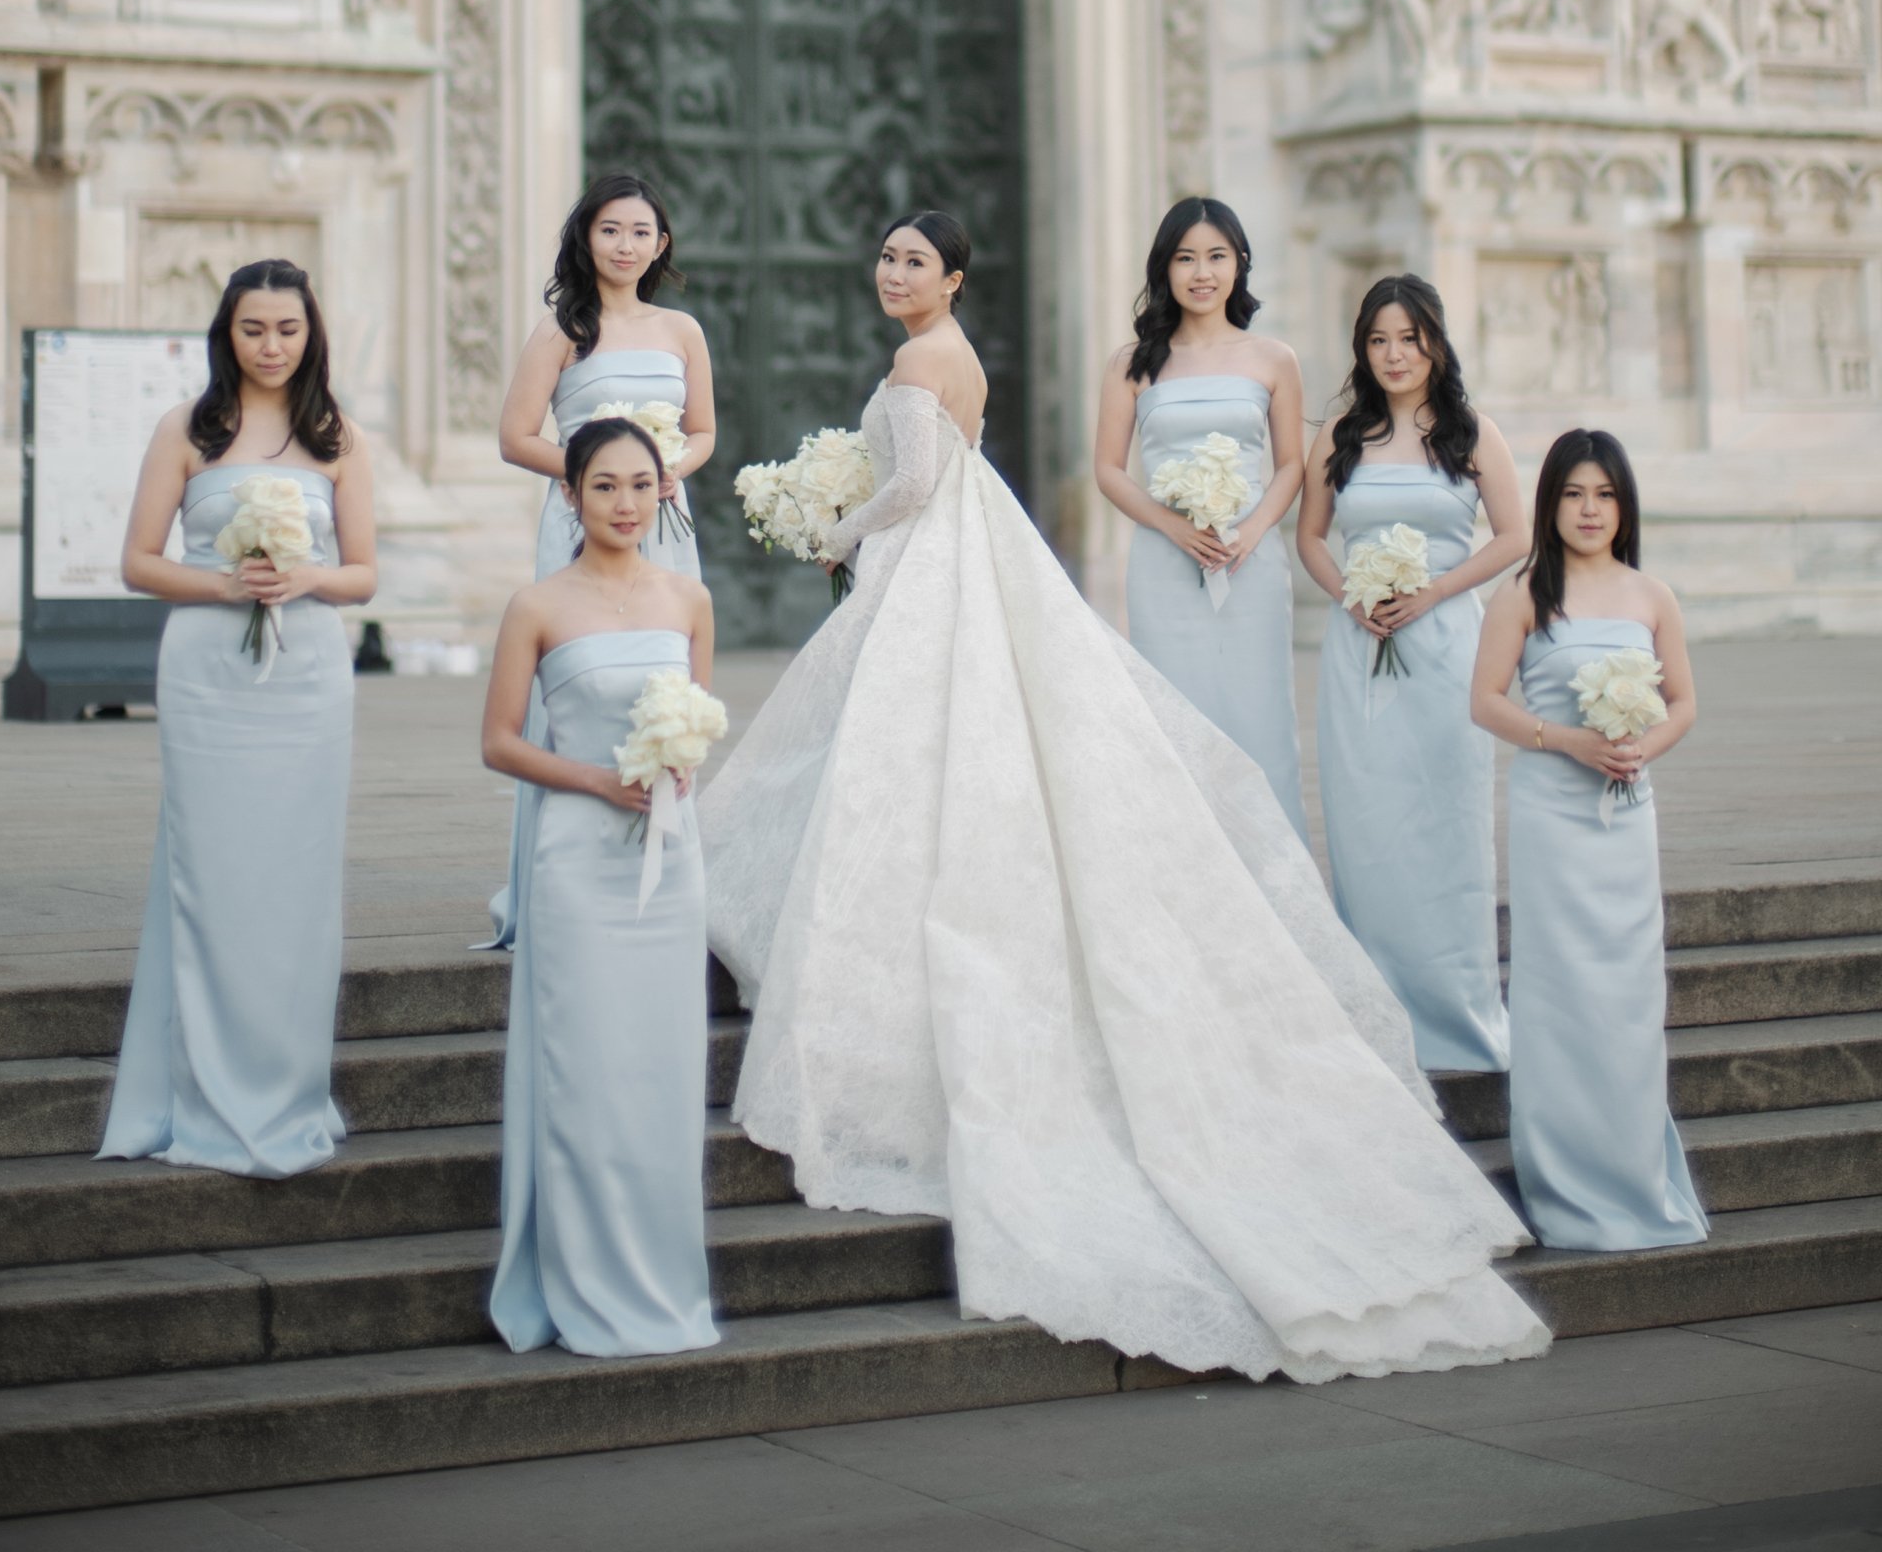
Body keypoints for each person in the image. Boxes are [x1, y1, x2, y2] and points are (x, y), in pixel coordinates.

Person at [701, 212, 1548, 1384]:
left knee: (894, 761)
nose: (893, 273)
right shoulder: (999, 358)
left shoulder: (914, 360)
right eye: (885, 256)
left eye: (914, 260)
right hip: (993, 560)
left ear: (951, 275)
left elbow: (904, 485)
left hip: (957, 559)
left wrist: (825, 525)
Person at [99, 261, 376, 1176]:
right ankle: (199, 1089)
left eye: (287, 330)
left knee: (294, 885)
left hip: (307, 676)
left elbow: (363, 575)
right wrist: (226, 582)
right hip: (207, 674)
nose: (270, 346)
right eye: (253, 329)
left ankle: (286, 1084)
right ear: (229, 333)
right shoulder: (187, 428)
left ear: (311, 335)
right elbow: (140, 562)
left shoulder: (338, 436)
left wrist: (306, 578)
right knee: (209, 874)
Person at [483, 417, 719, 1355]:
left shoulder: (690, 599)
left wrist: (675, 769)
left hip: (668, 862)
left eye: (640, 485)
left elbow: (693, 726)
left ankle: (662, 1277)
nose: (626, 503)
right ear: (572, 495)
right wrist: (594, 779)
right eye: (604, 486)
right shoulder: (537, 605)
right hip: (577, 856)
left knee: (658, 1071)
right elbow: (499, 741)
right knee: (587, 1067)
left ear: (665, 490)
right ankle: (581, 1277)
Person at [1473, 430, 1708, 1252]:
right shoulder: (1524, 593)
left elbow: (1681, 703)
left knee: (1627, 997)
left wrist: (1645, 746)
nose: (1589, 510)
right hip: (1553, 813)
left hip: (1626, 815)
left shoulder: (1652, 596)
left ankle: (1634, 1172)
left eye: (1604, 494)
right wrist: (1567, 740)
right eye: (1573, 494)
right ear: (1551, 504)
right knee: (1560, 990)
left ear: (1624, 505)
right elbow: (1485, 702)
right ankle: (1567, 1181)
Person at [1296, 275, 1524, 1075]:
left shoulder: (1470, 432)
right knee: (1369, 828)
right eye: (1378, 341)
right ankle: (1377, 1013)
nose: (1394, 356)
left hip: (1447, 647)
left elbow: (1514, 536)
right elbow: (1313, 540)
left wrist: (1434, 590)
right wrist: (1350, 596)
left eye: (1409, 339)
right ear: (1362, 349)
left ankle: (1458, 1016)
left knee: (1447, 825)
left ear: (1435, 342)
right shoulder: (1338, 436)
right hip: (1360, 652)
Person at [482, 173, 715, 948]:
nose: (626, 245)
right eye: (611, 230)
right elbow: (517, 437)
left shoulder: (683, 330)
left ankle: (665, 854)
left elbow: (705, 429)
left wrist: (672, 469)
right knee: (574, 690)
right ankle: (556, 871)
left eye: (641, 232)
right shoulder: (562, 332)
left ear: (662, 244)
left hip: (666, 517)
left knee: (664, 679)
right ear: (587, 238)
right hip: (580, 517)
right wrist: (595, 475)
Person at [1093, 197, 1308, 838]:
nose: (1201, 272)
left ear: (1239, 264)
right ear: (1165, 269)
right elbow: (1108, 470)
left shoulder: (1274, 359)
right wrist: (1172, 526)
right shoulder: (1131, 365)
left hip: (1251, 563)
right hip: (1165, 564)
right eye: (1185, 258)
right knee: (1177, 716)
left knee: (1257, 714)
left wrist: (1252, 531)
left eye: (1216, 256)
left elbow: (1292, 465)